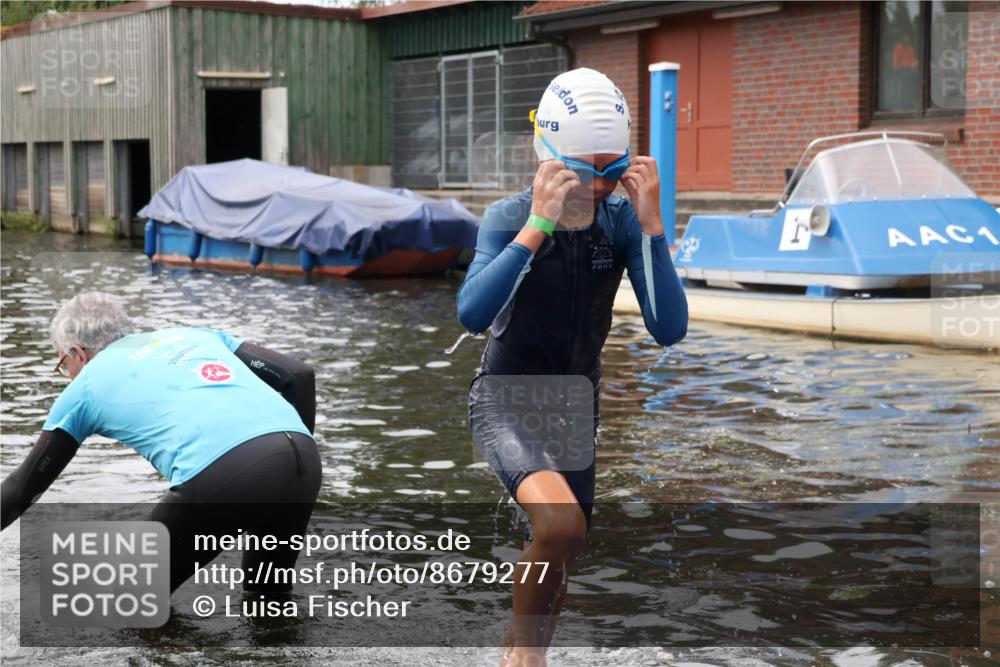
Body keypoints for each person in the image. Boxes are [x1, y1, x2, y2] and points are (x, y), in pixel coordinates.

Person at [456, 68, 688, 666]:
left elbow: (668, 329)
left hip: (575, 409)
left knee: (565, 545)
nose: (599, 188)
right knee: (560, 527)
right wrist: (537, 227)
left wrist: (655, 228)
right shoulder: (508, 217)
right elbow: (473, 314)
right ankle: (523, 660)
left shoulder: (623, 222)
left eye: (613, 173)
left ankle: (522, 654)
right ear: (549, 157)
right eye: (584, 173)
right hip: (505, 399)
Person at [0, 291, 321, 595]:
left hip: (226, 471)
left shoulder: (85, 385)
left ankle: (176, 654)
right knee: (267, 601)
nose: (67, 374)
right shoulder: (195, 335)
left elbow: (20, 489)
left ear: (77, 353)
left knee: (130, 600)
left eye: (62, 365)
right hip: (302, 461)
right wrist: (283, 463)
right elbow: (299, 375)